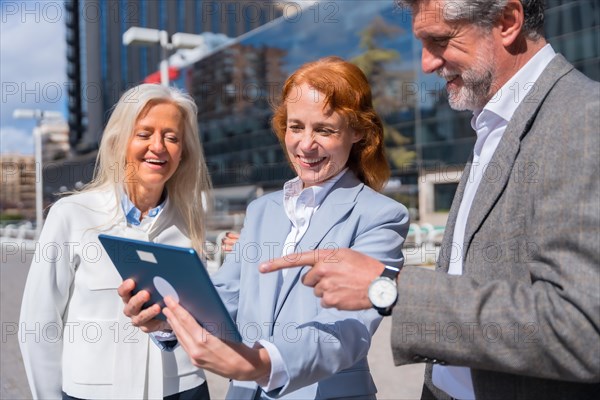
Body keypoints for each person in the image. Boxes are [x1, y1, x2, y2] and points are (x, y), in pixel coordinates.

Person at [260, 0, 600, 399]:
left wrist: (388, 289)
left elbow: (581, 328)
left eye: (440, 40)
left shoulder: (582, 119)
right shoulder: (494, 125)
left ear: (508, 21)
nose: (426, 64)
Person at [119, 56, 410, 399]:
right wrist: (167, 318)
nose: (305, 145)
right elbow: (224, 298)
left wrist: (264, 363)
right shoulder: (262, 210)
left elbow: (351, 330)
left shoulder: (381, 214)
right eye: (296, 127)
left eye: (325, 129)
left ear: (358, 131)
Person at [19, 84, 213, 400]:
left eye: (172, 137)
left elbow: (202, 316)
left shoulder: (190, 222)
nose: (158, 146)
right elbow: (38, 325)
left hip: (184, 390)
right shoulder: (72, 214)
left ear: (184, 151)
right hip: (93, 393)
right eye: (144, 133)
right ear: (120, 142)